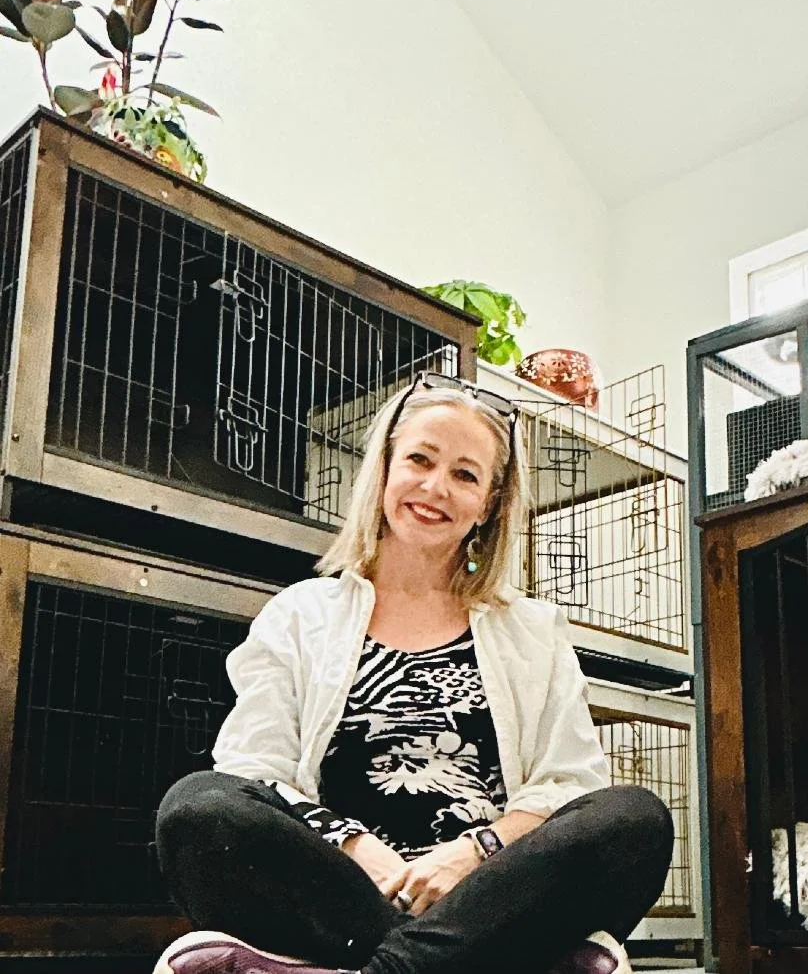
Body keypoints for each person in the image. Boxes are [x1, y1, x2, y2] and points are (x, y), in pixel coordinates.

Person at [153, 371, 674, 974]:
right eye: (419, 460)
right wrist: (356, 848)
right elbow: (256, 770)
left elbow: (568, 783)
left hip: (488, 891)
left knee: (634, 819)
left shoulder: (532, 630)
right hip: (342, 897)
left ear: (489, 505)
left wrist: (474, 854)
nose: (435, 487)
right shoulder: (299, 614)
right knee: (198, 808)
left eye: (464, 474)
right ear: (384, 472)